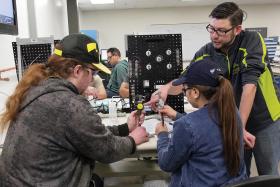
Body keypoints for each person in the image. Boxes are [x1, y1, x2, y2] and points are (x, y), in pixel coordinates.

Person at [149, 2, 280, 176]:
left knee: (268, 172)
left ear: (237, 29)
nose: (214, 36)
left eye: (221, 31)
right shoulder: (207, 52)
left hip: (265, 119)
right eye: (211, 29)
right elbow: (186, 80)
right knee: (239, 171)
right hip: (232, 119)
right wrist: (165, 89)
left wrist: (238, 129)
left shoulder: (253, 40)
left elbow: (249, 87)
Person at [0, 33, 149, 186]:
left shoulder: (34, 90)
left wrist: (126, 128)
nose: (92, 79)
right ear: (78, 71)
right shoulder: (69, 103)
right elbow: (107, 150)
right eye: (93, 72)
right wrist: (133, 139)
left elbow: (87, 134)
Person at [155, 59, 247, 187]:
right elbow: (208, 126)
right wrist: (177, 115)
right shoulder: (232, 113)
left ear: (195, 92)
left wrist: (162, 135)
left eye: (184, 90)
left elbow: (166, 163)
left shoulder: (186, 126)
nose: (184, 93)